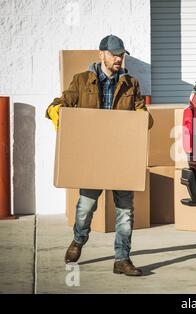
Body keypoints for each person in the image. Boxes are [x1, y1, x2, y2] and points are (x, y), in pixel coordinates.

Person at [46, 35, 149, 276]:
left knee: (125, 212)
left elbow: (141, 114)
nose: (118, 58)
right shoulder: (82, 81)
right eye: (114, 54)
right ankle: (78, 240)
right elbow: (61, 103)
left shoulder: (130, 83)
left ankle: (122, 259)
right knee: (85, 209)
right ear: (100, 54)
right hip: (94, 159)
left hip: (121, 158)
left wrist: (144, 118)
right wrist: (57, 112)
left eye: (121, 54)